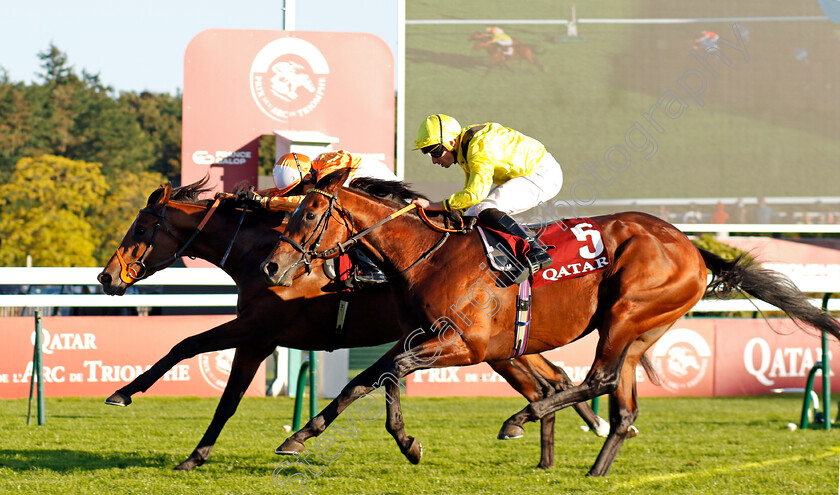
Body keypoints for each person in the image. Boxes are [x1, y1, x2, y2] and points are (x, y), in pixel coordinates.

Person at [411, 114, 563, 284]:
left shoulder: (477, 147)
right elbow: (469, 198)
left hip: (542, 174)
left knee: (484, 208)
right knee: (473, 211)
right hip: (531, 172)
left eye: (435, 151)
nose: (434, 160)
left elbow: (476, 194)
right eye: (428, 153)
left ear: (451, 142)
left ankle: (534, 250)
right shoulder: (465, 146)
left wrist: (434, 205)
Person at [246, 149, 399, 284]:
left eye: (297, 188)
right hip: (364, 187)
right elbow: (281, 195)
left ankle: (375, 273)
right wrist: (257, 196)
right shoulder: (312, 172)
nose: (297, 193)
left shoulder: (329, 170)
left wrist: (266, 202)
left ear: (307, 176)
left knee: (355, 226)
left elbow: (308, 202)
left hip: (384, 194)